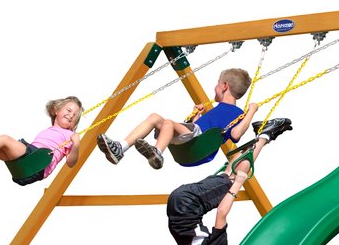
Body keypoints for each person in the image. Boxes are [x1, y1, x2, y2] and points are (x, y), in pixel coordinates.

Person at [166, 117, 292, 245]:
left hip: (188, 203)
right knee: (226, 176)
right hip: (178, 206)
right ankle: (260, 135)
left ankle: (265, 135)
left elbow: (221, 214)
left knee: (232, 179)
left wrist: (238, 184)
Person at [97, 67, 258, 169]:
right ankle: (120, 148)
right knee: (155, 117)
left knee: (168, 123)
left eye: (217, 83)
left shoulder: (238, 113)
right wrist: (196, 115)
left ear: (224, 86)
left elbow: (235, 135)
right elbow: (196, 127)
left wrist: (251, 111)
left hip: (199, 143)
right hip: (192, 138)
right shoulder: (217, 109)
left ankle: (157, 154)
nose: (215, 87)